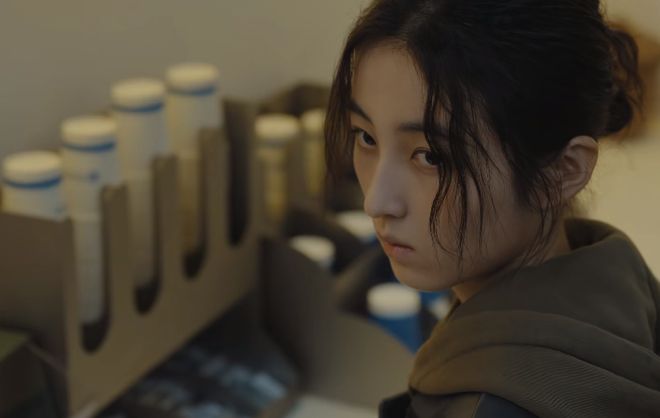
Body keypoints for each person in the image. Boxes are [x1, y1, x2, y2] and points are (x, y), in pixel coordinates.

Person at [323, 0, 660, 417]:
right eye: (366, 137)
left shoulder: (497, 404)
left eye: (431, 157)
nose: (375, 201)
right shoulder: (618, 283)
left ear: (564, 171)